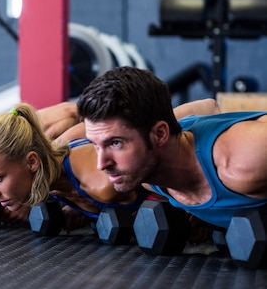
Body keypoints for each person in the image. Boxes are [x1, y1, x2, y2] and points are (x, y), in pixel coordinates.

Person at [0, 96, 221, 231]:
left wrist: (194, 211)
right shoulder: (56, 153)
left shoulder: (102, 181)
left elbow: (207, 106)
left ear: (32, 161)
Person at [76, 66, 267, 231]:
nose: (101, 164)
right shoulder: (146, 176)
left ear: (160, 134)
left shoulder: (244, 160)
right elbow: (207, 106)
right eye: (95, 145)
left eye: (115, 143)